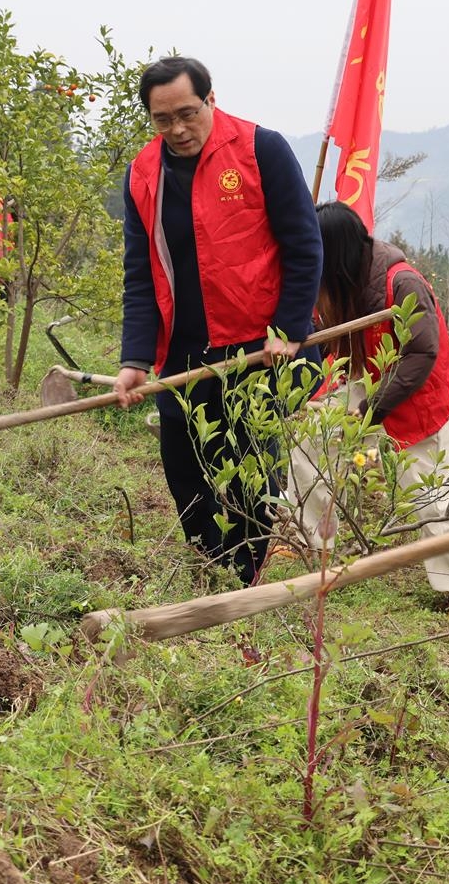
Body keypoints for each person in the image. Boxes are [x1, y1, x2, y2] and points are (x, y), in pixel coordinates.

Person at [111, 56, 323, 586]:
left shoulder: (259, 150)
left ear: (210, 99)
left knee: (253, 462)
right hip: (182, 348)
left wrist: (289, 328)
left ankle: (245, 572)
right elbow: (141, 273)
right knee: (184, 467)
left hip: (258, 342)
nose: (178, 129)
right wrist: (136, 358)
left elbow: (304, 245)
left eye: (188, 113)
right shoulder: (143, 173)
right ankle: (214, 562)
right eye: (163, 120)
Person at [291, 202, 449, 624]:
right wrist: (333, 394)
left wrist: (370, 410)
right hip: (365, 377)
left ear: (337, 253)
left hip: (416, 393)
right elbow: (334, 342)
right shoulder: (341, 282)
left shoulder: (402, 283)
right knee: (312, 439)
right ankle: (308, 540)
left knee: (431, 492)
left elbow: (422, 352)